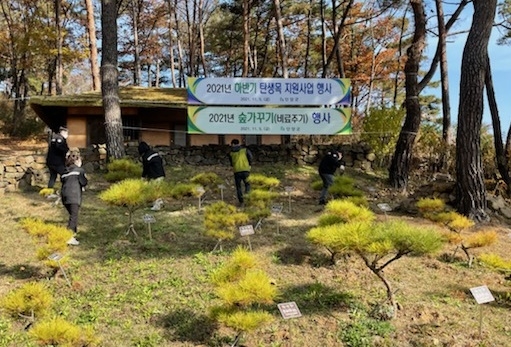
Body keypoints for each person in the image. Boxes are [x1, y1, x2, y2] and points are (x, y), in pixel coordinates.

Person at [61, 152, 88, 246]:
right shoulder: (79, 170)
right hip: (74, 196)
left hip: (64, 196)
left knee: (72, 215)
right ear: (77, 161)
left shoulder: (65, 172)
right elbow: (84, 182)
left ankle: (73, 234)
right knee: (74, 216)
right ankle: (69, 236)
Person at [229, 139, 253, 205]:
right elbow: (250, 157)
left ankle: (241, 201)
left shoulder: (231, 153)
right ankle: (247, 198)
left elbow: (231, 162)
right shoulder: (245, 150)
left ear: (233, 144)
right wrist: (250, 164)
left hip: (237, 171)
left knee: (238, 187)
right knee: (247, 185)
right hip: (246, 170)